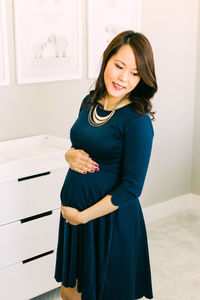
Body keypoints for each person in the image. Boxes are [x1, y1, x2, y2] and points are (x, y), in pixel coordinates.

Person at [54, 30, 158, 300]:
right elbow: (83, 146)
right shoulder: (89, 102)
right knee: (69, 294)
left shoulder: (137, 120)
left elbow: (131, 188)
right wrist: (69, 154)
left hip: (108, 222)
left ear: (143, 77)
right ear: (107, 61)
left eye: (135, 73)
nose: (124, 78)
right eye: (119, 66)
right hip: (77, 221)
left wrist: (82, 216)